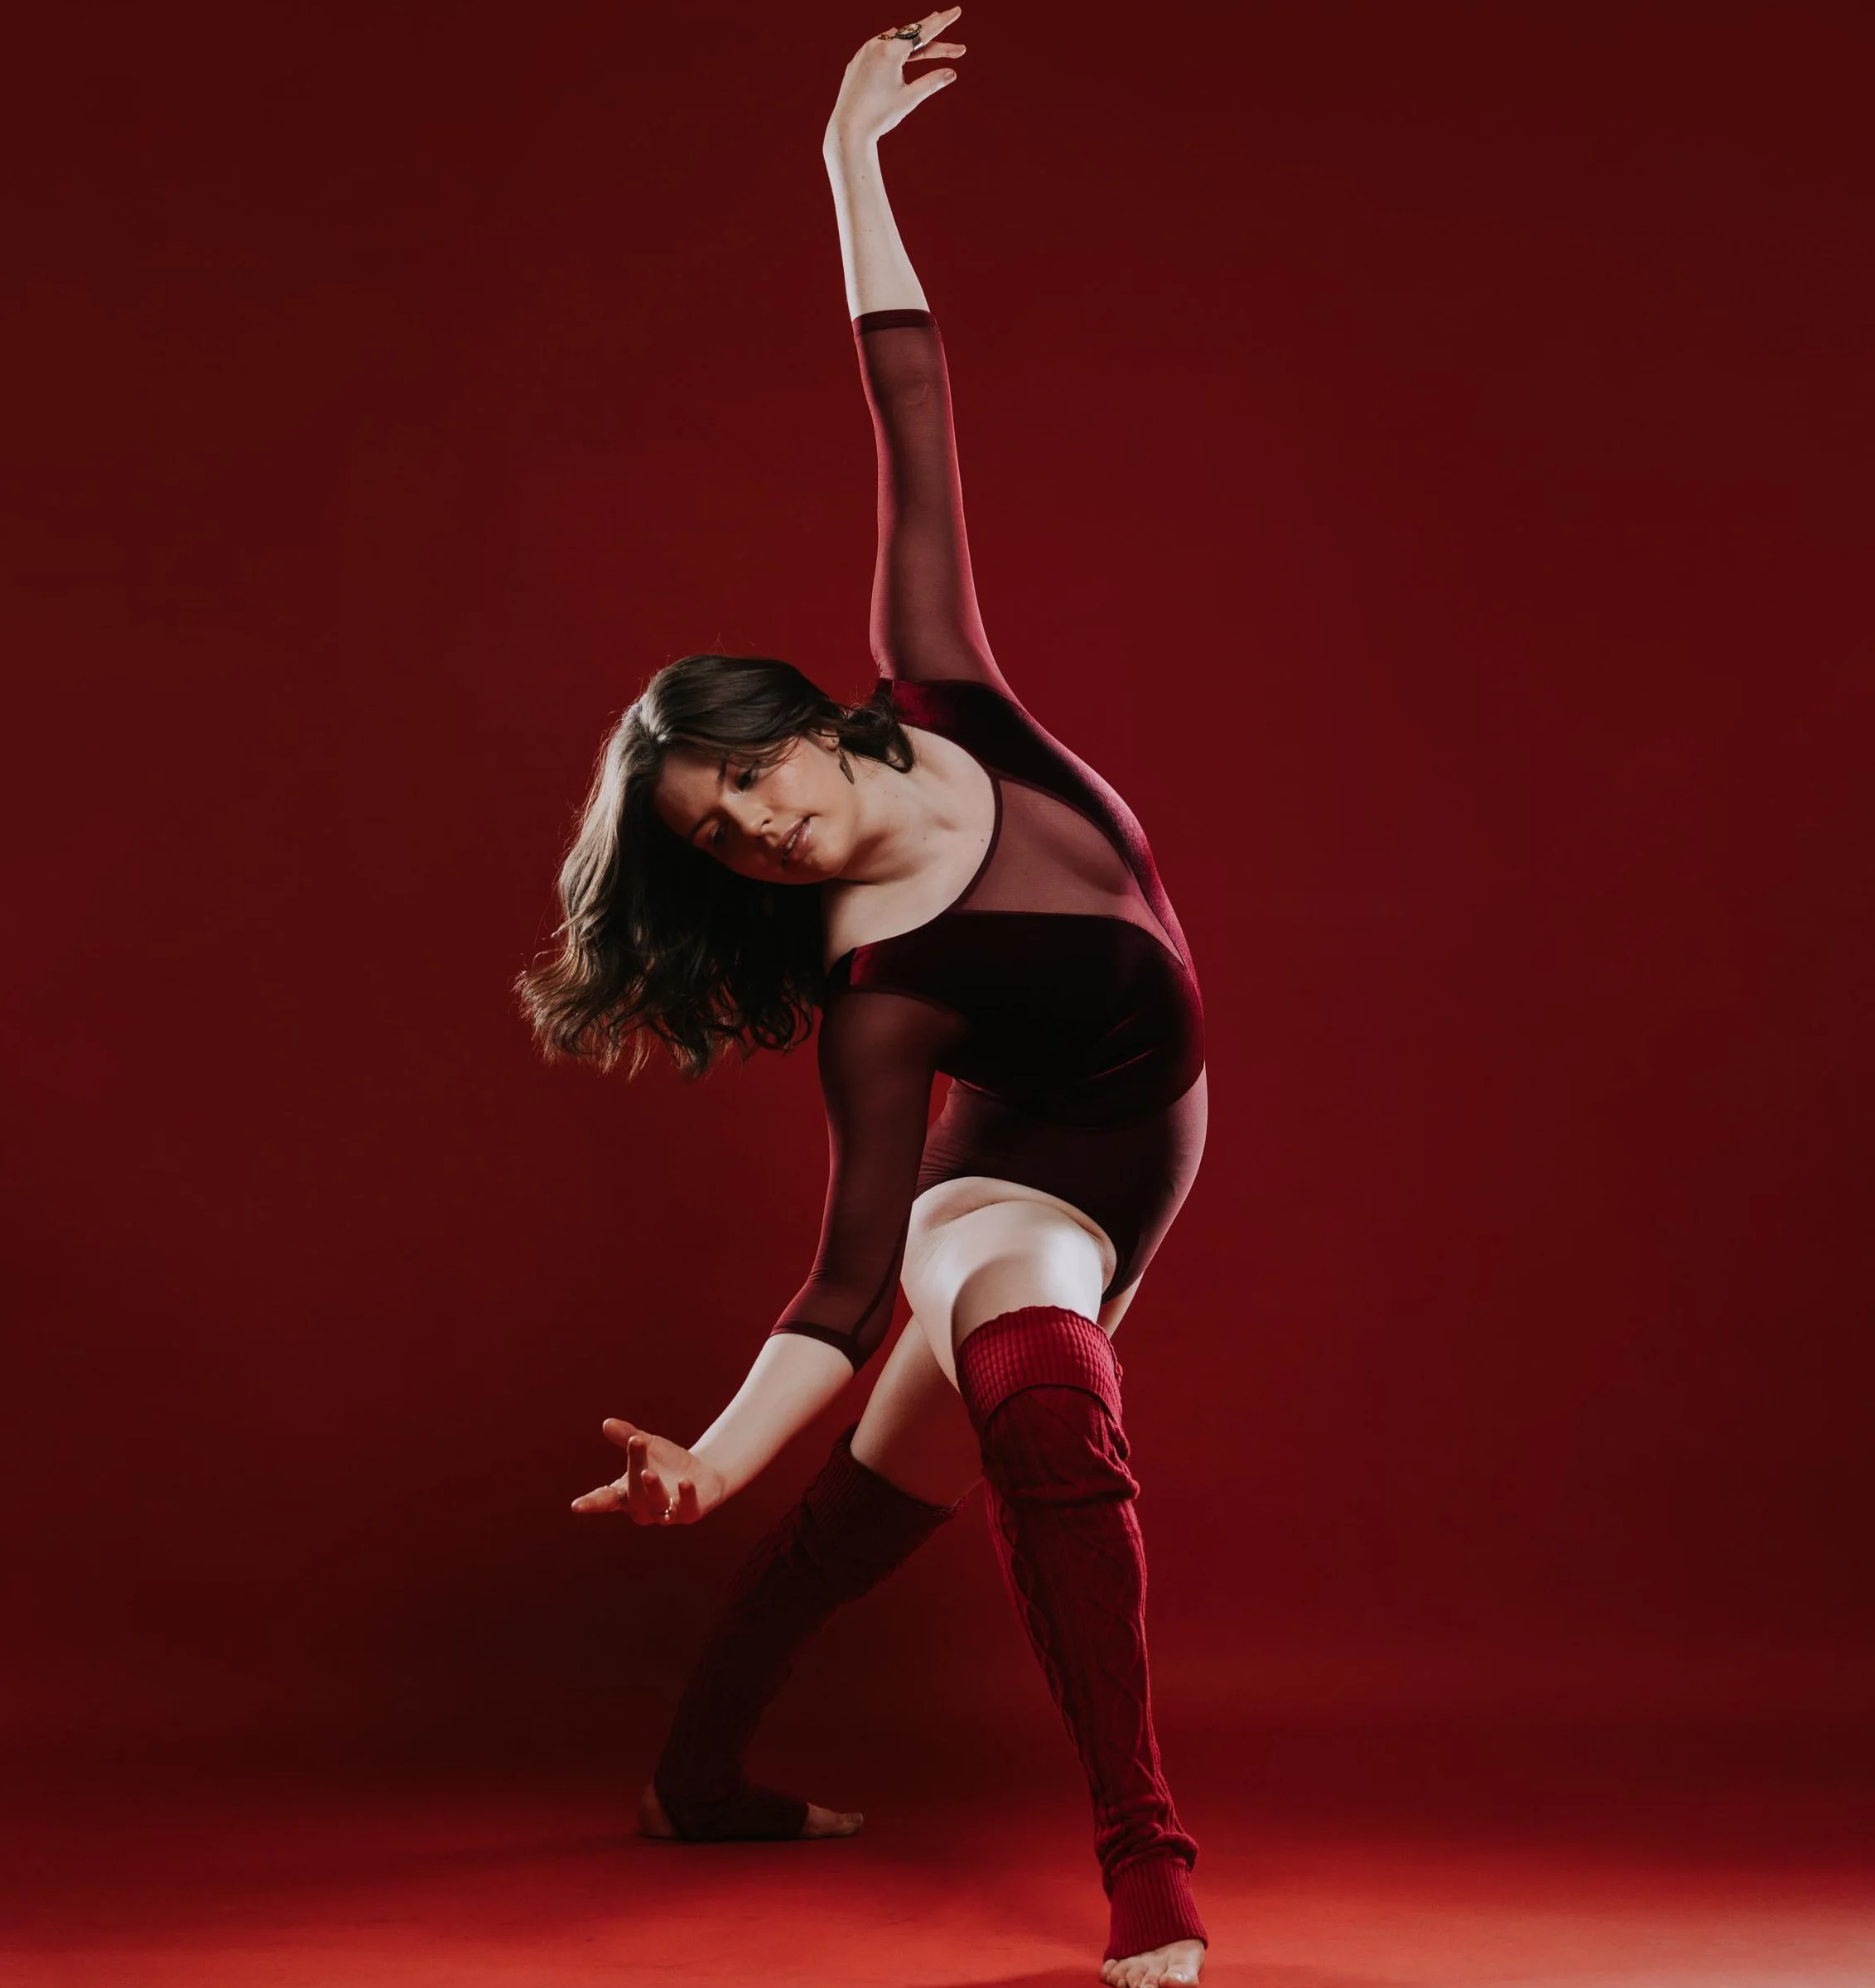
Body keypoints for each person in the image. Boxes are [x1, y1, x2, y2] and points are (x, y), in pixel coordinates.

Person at [518, 14, 1207, 1986]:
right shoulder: (878, 990)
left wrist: (849, 154)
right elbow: (840, 1285)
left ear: (804, 721)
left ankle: (694, 1779)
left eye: (748, 779)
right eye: (718, 839)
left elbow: (908, 392)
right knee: (1045, 1400)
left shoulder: (937, 676)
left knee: (862, 1530)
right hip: (1024, 1191)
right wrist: (707, 1458)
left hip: (1147, 1156)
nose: (758, 828)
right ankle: (1149, 1861)